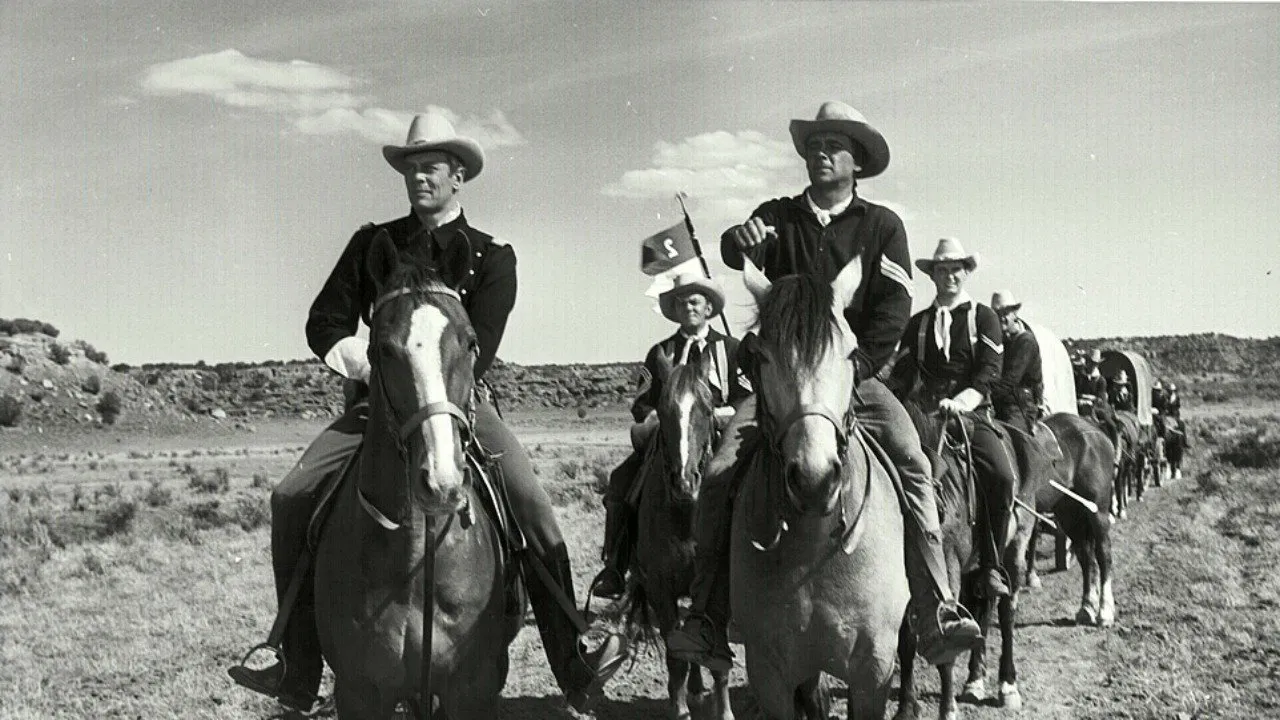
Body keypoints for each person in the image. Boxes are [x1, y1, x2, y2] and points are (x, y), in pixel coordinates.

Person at [228, 112, 626, 713]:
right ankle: (296, 663)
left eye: (431, 167)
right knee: (291, 496)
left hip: (462, 407)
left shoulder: (492, 256)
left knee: (534, 507)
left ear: (458, 175)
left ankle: (570, 657)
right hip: (377, 407)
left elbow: (479, 346)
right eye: (411, 167)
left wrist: (435, 386)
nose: (419, 177)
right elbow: (325, 321)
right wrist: (369, 367)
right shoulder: (373, 245)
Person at [665, 101, 981, 671]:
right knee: (716, 475)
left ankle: (936, 606)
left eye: (832, 145)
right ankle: (709, 615)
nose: (819, 153)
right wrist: (741, 238)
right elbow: (740, 250)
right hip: (783, 386)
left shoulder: (882, 227)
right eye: (813, 145)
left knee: (913, 462)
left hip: (853, 378)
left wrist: (854, 369)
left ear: (856, 161)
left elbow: (893, 307)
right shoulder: (778, 216)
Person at [590, 272, 748, 598]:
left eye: (694, 301)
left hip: (719, 436)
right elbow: (642, 402)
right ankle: (616, 567)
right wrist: (659, 417)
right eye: (681, 302)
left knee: (755, 484)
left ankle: (757, 566)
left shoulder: (731, 350)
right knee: (621, 481)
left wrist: (720, 416)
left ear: (708, 309)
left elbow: (746, 400)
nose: (687, 307)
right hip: (669, 436)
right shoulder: (660, 351)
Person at [889, 238, 1021, 601]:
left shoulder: (984, 317)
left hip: (972, 413)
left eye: (956, 269)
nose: (949, 275)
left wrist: (963, 401)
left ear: (966, 273)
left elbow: (989, 371)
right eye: (942, 269)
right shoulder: (917, 323)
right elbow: (902, 371)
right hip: (922, 415)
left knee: (1001, 474)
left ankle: (991, 564)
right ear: (933, 275)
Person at [988, 290, 1043, 432]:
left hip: (1021, 406)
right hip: (1001, 403)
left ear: (1015, 314)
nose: (1001, 318)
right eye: (997, 315)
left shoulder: (1025, 341)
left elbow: (1010, 379)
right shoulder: (1002, 341)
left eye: (1005, 313)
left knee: (1014, 437)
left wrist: (983, 393)